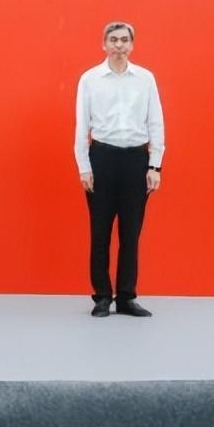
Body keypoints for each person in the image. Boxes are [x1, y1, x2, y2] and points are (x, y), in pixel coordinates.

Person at [74, 21, 165, 318]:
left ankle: (126, 296)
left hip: (136, 160)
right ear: (104, 44)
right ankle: (102, 296)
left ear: (132, 45)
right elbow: (81, 126)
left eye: (124, 40)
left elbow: (156, 123)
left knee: (131, 232)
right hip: (101, 157)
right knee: (100, 231)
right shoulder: (90, 79)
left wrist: (155, 165)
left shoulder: (145, 79)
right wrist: (84, 167)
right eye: (113, 39)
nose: (119, 45)